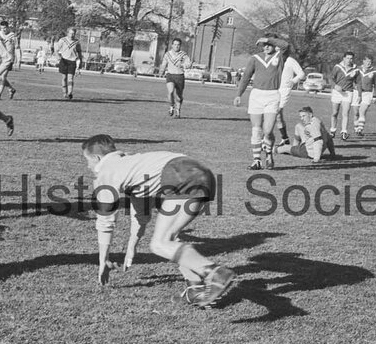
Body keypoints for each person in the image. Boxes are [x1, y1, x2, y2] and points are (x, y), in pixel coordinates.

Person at [82, 134, 235, 309]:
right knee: (170, 239)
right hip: (201, 172)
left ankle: (214, 272)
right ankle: (195, 288)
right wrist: (131, 247)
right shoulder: (133, 165)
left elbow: (105, 221)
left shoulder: (106, 171)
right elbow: (141, 215)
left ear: (97, 158)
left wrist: (103, 260)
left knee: (159, 244)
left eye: (87, 161)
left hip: (180, 174)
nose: (88, 166)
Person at [234, 37, 286, 170]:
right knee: (256, 129)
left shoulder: (279, 56)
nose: (267, 47)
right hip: (256, 95)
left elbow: (286, 45)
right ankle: (256, 160)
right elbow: (246, 76)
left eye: (269, 45)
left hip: (272, 95)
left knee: (268, 131)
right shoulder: (255, 58)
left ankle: (269, 153)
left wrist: (269, 39)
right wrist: (239, 94)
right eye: (264, 45)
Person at [276, 40, 305, 147]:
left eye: (279, 49)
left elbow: (301, 74)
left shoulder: (290, 60)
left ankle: (267, 138)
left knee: (277, 112)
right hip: (273, 89)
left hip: (284, 90)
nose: (277, 51)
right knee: (277, 115)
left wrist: (292, 81)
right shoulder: (274, 60)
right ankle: (285, 138)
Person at [328, 51, 359, 141]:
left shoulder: (355, 69)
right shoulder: (337, 67)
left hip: (348, 93)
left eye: (351, 58)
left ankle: (344, 132)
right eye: (347, 58)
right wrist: (335, 86)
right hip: (337, 93)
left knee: (345, 113)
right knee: (334, 113)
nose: (349, 60)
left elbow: (358, 82)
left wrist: (359, 93)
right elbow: (331, 78)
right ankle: (333, 130)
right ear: (344, 58)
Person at [159, 38, 192, 118]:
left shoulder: (183, 54)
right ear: (172, 45)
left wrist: (183, 65)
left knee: (179, 96)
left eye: (178, 45)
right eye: (175, 44)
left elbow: (189, 64)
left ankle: (178, 111)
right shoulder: (168, 54)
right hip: (170, 75)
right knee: (170, 92)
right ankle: (171, 106)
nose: (176, 46)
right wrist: (162, 70)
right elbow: (164, 63)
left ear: (180, 46)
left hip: (180, 76)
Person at [54, 27, 84, 100]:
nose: (72, 35)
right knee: (64, 77)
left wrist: (80, 61)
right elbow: (56, 50)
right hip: (64, 60)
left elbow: (79, 52)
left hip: (72, 61)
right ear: (68, 33)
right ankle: (65, 93)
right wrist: (58, 57)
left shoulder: (77, 42)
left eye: (73, 33)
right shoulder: (62, 40)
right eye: (71, 33)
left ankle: (70, 93)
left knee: (70, 78)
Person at [352, 56, 376, 136]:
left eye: (370, 62)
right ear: (363, 61)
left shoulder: (374, 72)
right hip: (357, 93)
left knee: (362, 111)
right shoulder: (357, 69)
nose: (368, 63)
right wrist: (354, 85)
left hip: (367, 93)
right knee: (356, 113)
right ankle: (356, 128)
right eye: (367, 61)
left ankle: (360, 129)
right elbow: (351, 79)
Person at [0, 19, 18, 100]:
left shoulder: (13, 36)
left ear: (8, 27)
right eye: (2, 28)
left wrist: (17, 59)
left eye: (4, 28)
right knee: (1, 77)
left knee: (3, 76)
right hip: (0, 58)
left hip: (9, 59)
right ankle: (11, 89)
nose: (3, 30)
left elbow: (17, 47)